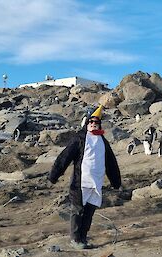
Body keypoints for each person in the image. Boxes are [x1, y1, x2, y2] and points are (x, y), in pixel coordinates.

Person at [48, 105, 121, 249]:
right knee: (77, 211)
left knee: (89, 212)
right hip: (80, 183)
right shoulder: (80, 139)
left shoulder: (103, 141)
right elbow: (65, 157)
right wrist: (54, 175)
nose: (94, 125)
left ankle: (83, 238)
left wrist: (116, 181)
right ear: (87, 123)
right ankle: (75, 239)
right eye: (91, 123)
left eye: (96, 123)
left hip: (96, 183)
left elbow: (111, 162)